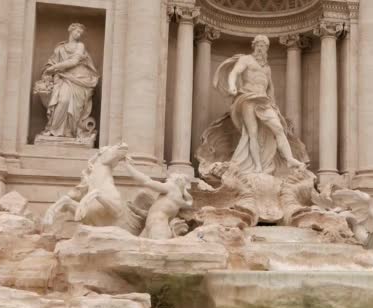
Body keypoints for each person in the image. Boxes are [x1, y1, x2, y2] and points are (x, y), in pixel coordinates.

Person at [213, 35, 304, 174]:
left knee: (279, 128)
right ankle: (257, 167)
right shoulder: (246, 59)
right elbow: (234, 72)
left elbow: (270, 87)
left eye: (264, 46)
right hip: (247, 98)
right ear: (254, 46)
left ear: (267, 49)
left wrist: (273, 104)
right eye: (258, 45)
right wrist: (232, 85)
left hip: (264, 100)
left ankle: (289, 158)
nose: (261, 48)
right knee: (252, 133)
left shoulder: (267, 68)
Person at [40, 23, 99, 138]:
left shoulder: (80, 46)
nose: (78, 34)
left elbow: (74, 61)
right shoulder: (60, 48)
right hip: (63, 78)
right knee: (63, 101)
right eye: (77, 32)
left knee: (74, 107)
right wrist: (48, 70)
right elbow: (50, 62)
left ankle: (69, 131)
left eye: (80, 33)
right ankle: (54, 130)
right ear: (70, 31)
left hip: (78, 79)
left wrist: (54, 68)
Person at [124, 157, 193, 240]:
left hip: (157, 226)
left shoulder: (171, 188)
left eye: (169, 179)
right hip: (151, 227)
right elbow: (154, 212)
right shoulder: (174, 198)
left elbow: (147, 181)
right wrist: (135, 209)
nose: (167, 181)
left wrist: (129, 167)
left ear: (176, 180)